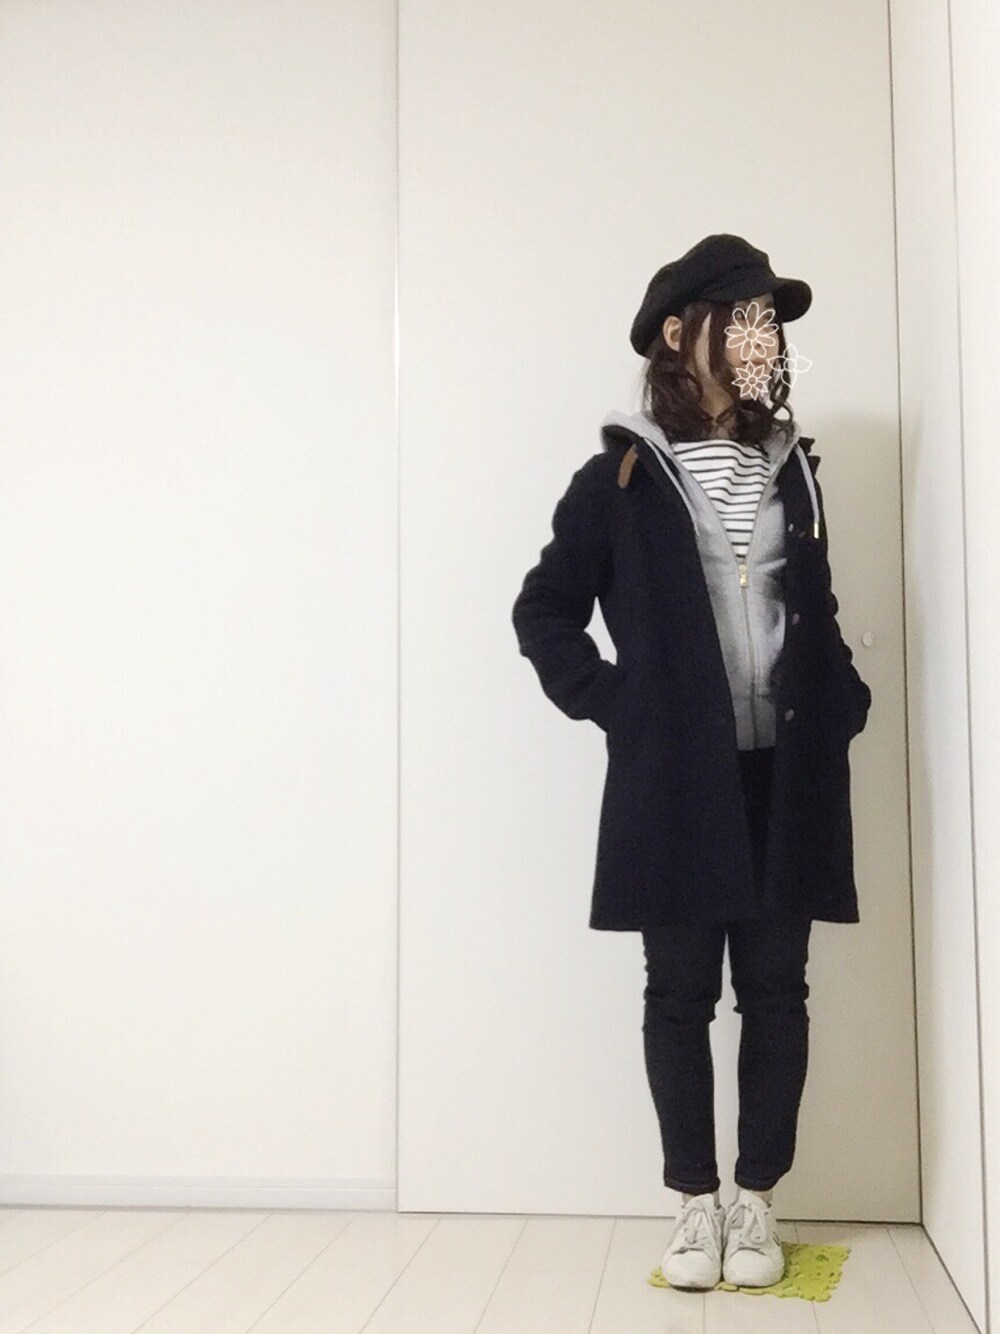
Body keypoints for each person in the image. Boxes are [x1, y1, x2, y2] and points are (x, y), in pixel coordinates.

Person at [511, 234, 872, 1292]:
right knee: (677, 993)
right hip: (676, 782)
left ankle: (757, 1201)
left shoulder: (793, 468)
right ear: (680, 333)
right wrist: (621, 706)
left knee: (777, 990)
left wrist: (843, 701)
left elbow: (814, 609)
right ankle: (694, 1204)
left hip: (785, 775)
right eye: (745, 318)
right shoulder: (618, 475)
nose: (764, 340)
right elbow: (544, 610)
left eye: (772, 323)